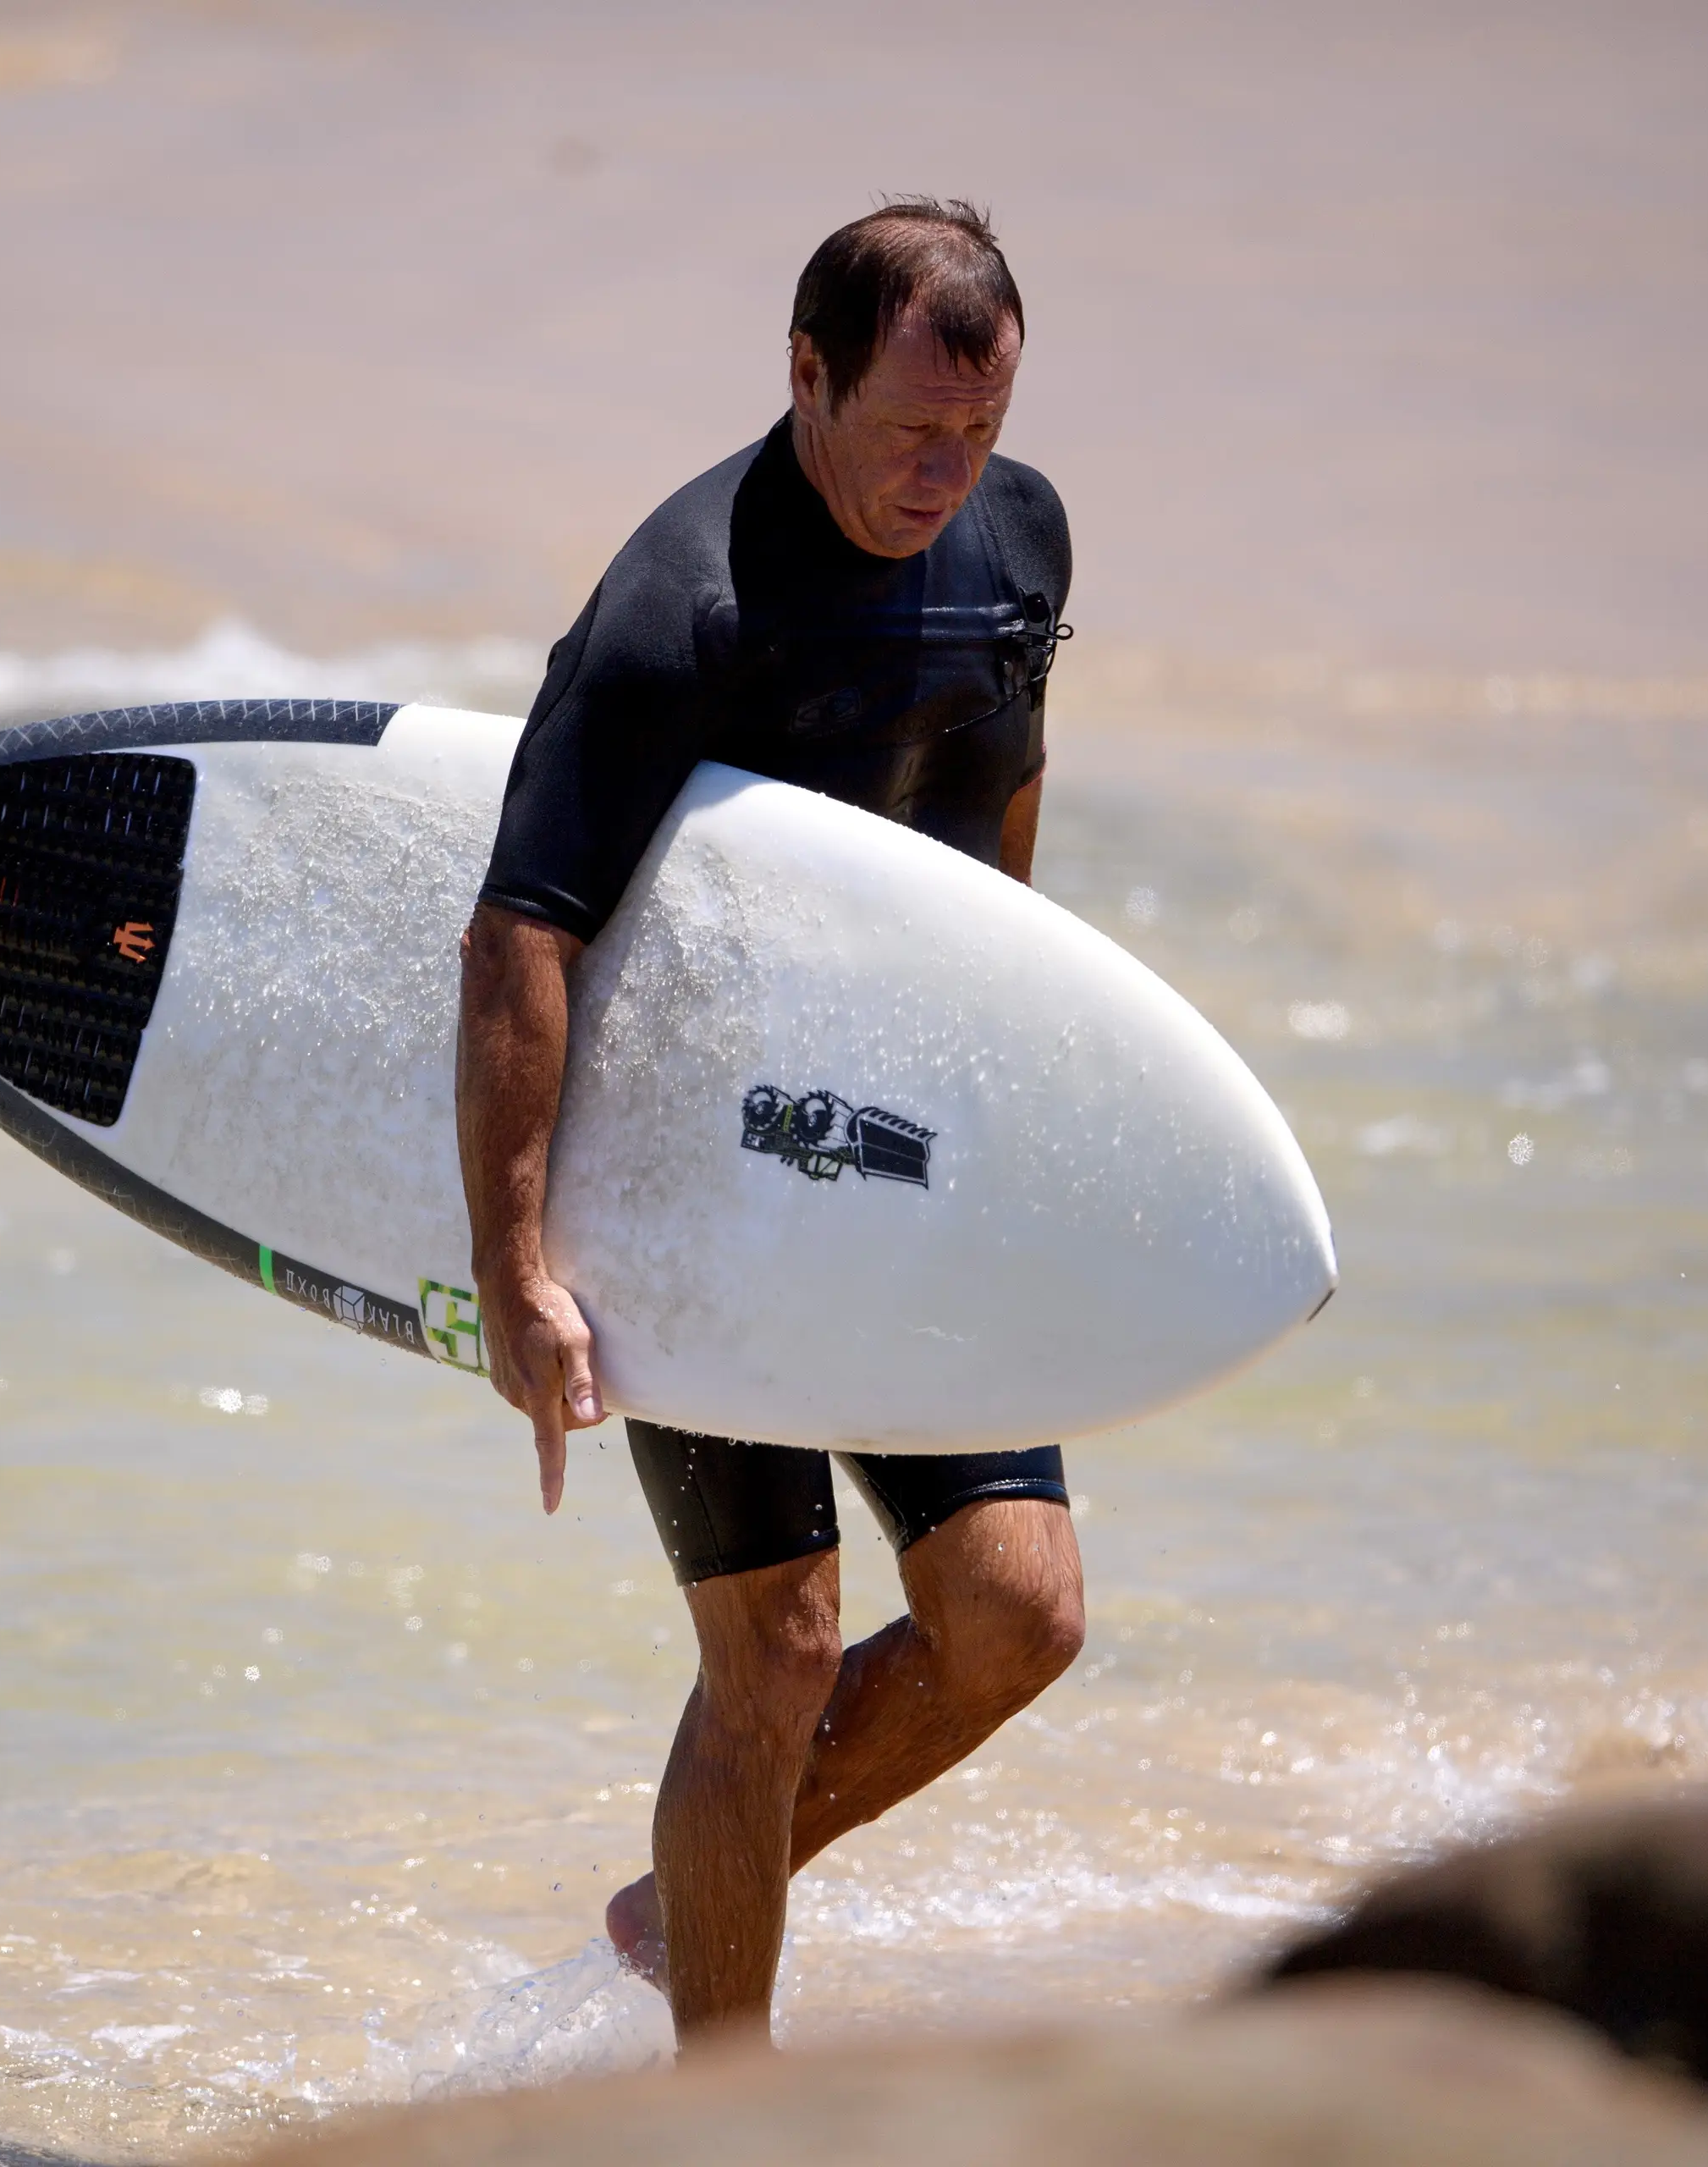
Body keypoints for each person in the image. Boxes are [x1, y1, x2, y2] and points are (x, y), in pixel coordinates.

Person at [454, 199, 1084, 2050]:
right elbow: (520, 929)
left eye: (975, 432)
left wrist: (1009, 1113)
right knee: (778, 1651)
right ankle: (728, 2101)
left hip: (884, 1140)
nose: (945, 475)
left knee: (1016, 1612)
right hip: (681, 1161)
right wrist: (517, 1269)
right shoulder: (685, 606)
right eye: (908, 431)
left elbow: (999, 807)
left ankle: (698, 1891)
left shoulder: (1019, 535)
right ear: (802, 374)